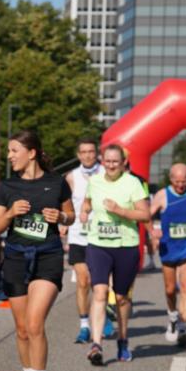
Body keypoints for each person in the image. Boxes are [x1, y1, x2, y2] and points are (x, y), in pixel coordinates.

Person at [0, 130, 74, 371]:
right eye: (9, 151)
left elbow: (71, 215)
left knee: (35, 323)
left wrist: (61, 217)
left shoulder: (56, 183)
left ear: (32, 152)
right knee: (22, 329)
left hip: (48, 256)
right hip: (15, 258)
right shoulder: (7, 187)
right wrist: (10, 213)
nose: (10, 156)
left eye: (14, 150)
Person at [79, 144, 150, 365]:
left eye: (115, 162)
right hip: (98, 244)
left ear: (123, 163)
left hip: (126, 246)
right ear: (102, 161)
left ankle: (123, 340)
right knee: (100, 292)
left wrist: (120, 210)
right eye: (107, 161)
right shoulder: (95, 181)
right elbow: (87, 202)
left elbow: (145, 214)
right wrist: (84, 212)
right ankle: (96, 344)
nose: (111, 165)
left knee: (121, 298)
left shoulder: (133, 183)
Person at [150, 163, 186, 348]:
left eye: (184, 181)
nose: (181, 185)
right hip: (169, 247)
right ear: (170, 179)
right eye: (177, 181)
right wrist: (152, 230)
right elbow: (146, 215)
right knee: (170, 290)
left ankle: (183, 327)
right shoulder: (162, 195)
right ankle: (173, 316)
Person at [62, 138, 113, 343]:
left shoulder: (106, 173)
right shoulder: (71, 177)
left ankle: (103, 314)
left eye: (91, 151)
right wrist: (64, 221)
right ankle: (84, 325)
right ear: (78, 155)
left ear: (96, 153)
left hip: (101, 236)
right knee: (83, 281)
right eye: (83, 152)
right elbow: (65, 203)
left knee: (99, 283)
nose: (87, 155)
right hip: (78, 235)